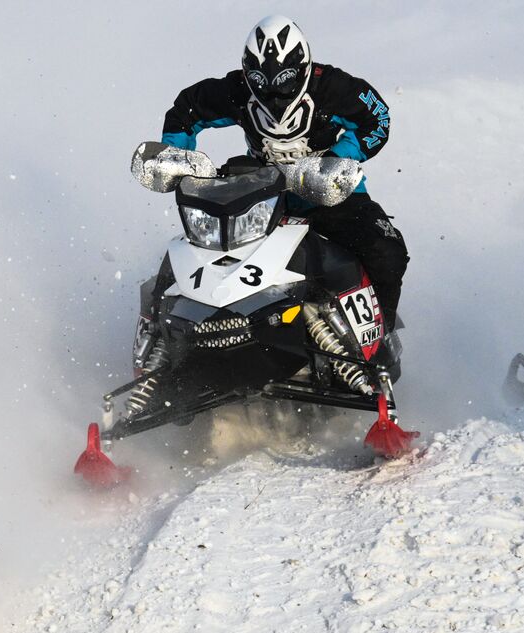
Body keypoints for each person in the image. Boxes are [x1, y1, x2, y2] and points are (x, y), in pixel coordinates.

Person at [161, 14, 407, 370]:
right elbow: (187, 108)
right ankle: (166, 357)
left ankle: (378, 341)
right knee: (188, 254)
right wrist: (178, 157)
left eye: (284, 82)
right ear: (249, 74)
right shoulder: (236, 90)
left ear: (303, 65)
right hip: (260, 195)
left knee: (386, 249)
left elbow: (378, 118)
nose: (274, 94)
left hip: (331, 191)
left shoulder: (334, 87)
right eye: (263, 83)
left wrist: (339, 159)